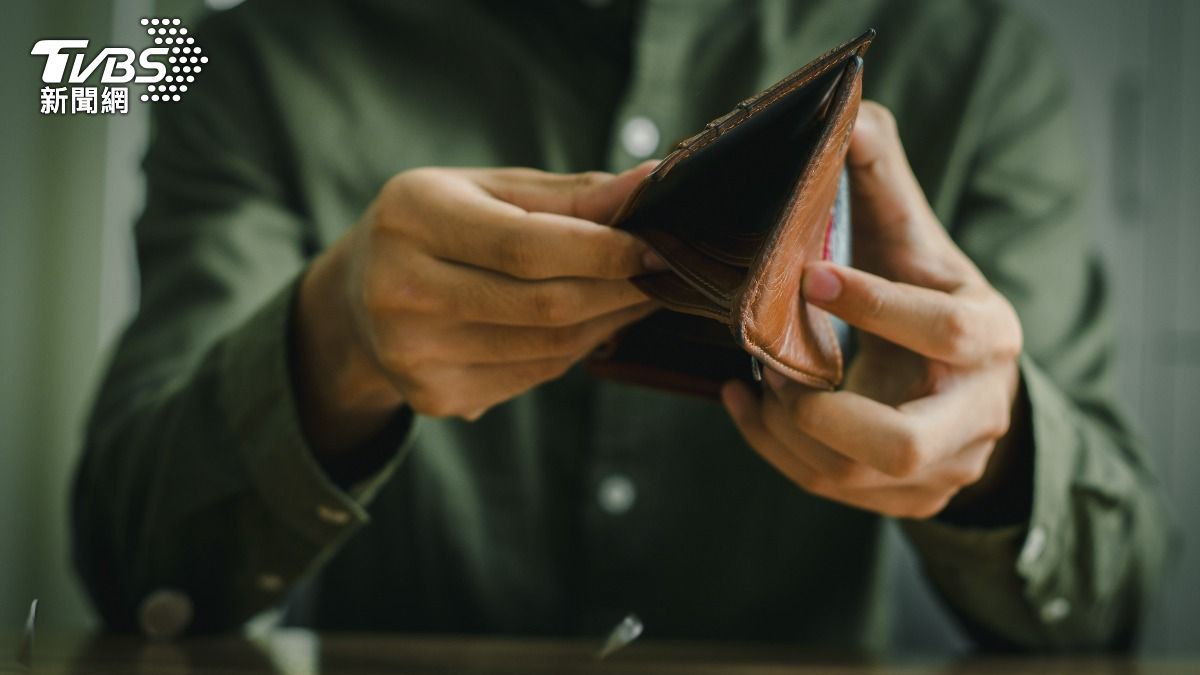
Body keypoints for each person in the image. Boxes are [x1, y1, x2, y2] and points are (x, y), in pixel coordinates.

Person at [73, 0, 1173, 650]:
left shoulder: (979, 60)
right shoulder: (250, 59)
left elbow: (1112, 600)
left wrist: (992, 457)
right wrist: (331, 343)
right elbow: (137, 573)